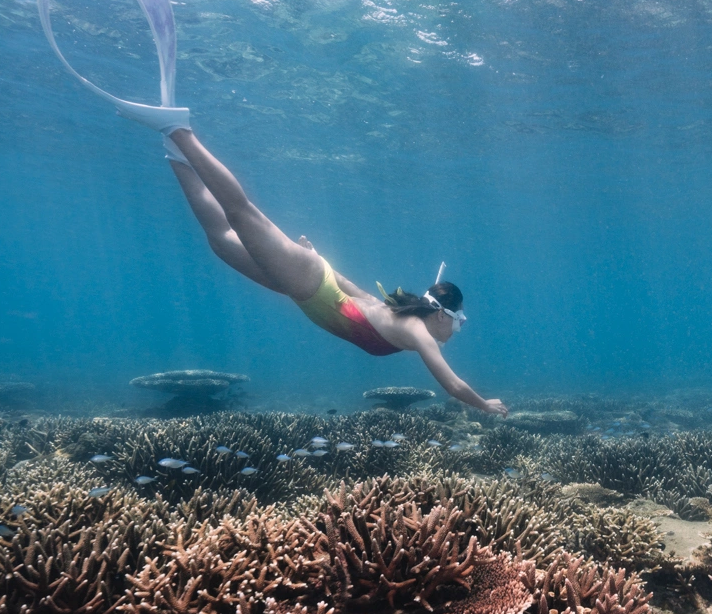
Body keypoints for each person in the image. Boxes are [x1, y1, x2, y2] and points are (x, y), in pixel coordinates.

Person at [157, 126, 508, 416]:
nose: (458, 331)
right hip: (308, 282)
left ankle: (176, 156)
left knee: (221, 241)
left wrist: (316, 256)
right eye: (460, 322)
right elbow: (453, 385)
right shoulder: (418, 331)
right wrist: (484, 405)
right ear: (443, 316)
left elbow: (351, 289)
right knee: (242, 215)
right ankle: (182, 133)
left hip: (307, 285)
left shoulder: (398, 315)